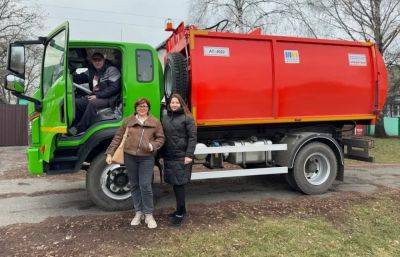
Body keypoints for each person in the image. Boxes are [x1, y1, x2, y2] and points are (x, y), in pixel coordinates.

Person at [105, 98, 165, 229]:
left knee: (145, 185)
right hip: (130, 157)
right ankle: (138, 213)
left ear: (148, 108)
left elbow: (161, 138)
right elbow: (118, 137)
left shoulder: (155, 122)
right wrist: (110, 153)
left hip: (146, 158)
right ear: (136, 108)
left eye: (144, 106)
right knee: (134, 185)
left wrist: (152, 145)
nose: (142, 108)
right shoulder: (128, 121)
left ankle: (149, 214)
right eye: (139, 106)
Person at [160, 93, 197, 227]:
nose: (174, 105)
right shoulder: (165, 118)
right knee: (175, 184)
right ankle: (181, 209)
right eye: (172, 103)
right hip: (170, 156)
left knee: (179, 185)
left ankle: (180, 213)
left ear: (181, 104)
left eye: (176, 102)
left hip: (182, 156)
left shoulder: (187, 118)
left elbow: (193, 138)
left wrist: (189, 155)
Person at [69, 52, 121, 135]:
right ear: (92, 61)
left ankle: (80, 129)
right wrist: (68, 75)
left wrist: (97, 96)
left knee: (93, 103)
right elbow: (80, 78)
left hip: (110, 98)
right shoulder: (93, 71)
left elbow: (114, 88)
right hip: (98, 96)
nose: (97, 62)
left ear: (103, 60)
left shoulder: (111, 70)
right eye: (94, 60)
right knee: (77, 102)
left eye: (99, 60)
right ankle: (73, 125)